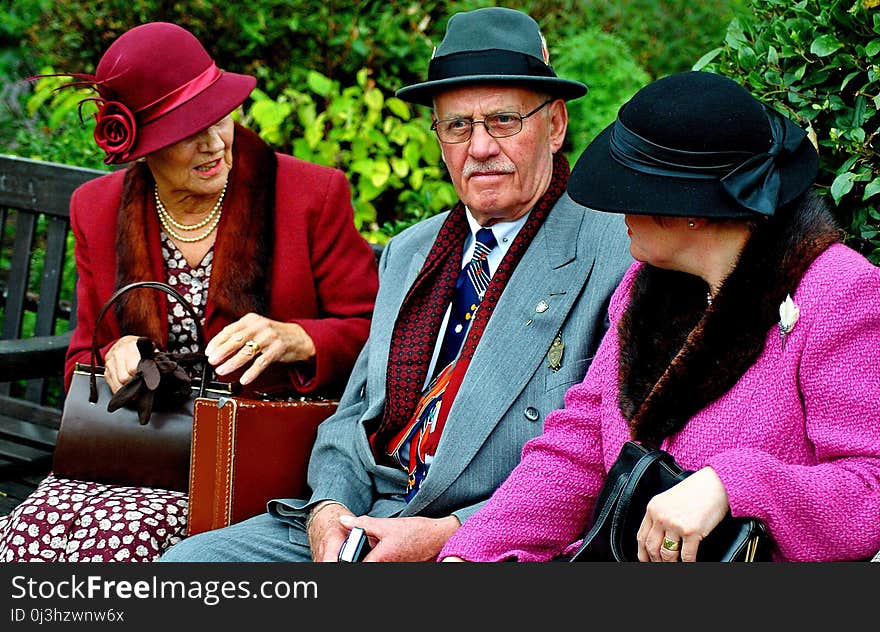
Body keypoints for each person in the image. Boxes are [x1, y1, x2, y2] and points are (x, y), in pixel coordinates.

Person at [161, 6, 632, 563]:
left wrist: (450, 532)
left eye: (504, 121)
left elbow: (605, 456)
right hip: (368, 520)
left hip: (492, 539)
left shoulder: (616, 250)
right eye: (458, 126)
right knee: (185, 570)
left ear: (554, 125)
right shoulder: (411, 252)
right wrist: (328, 510)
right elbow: (352, 414)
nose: (479, 147)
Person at [439, 71, 880, 563]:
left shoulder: (838, 292)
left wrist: (731, 485)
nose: (616, 205)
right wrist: (471, 554)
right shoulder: (640, 289)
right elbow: (575, 451)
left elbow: (870, 491)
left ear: (692, 208)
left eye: (635, 188)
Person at [0, 22, 378, 562]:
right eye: (186, 131)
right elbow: (81, 357)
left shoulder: (310, 195)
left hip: (246, 459)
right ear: (143, 144)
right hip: (133, 447)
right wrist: (114, 352)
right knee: (25, 539)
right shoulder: (98, 208)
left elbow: (378, 335)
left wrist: (297, 338)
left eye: (219, 116)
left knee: (118, 549)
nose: (213, 143)